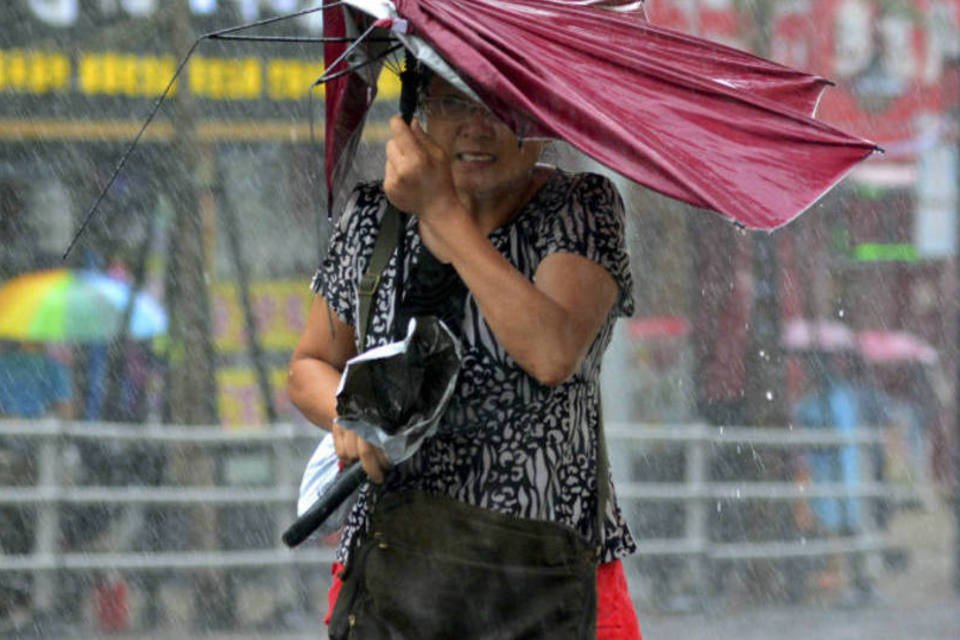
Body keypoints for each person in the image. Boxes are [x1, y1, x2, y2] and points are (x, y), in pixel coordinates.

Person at [288, 68, 642, 638]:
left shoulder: (582, 209)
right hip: (396, 578)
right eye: (455, 102)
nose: (479, 128)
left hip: (547, 578)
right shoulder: (373, 217)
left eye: (503, 104)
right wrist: (348, 412)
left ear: (542, 114)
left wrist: (442, 213)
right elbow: (308, 363)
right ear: (421, 110)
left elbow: (549, 352)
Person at [0, 339, 74, 628]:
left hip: (7, 465)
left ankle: (11, 596)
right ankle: (37, 604)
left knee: (10, 527)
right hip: (41, 466)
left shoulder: (3, 366)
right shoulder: (55, 368)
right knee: (44, 528)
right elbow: (66, 414)